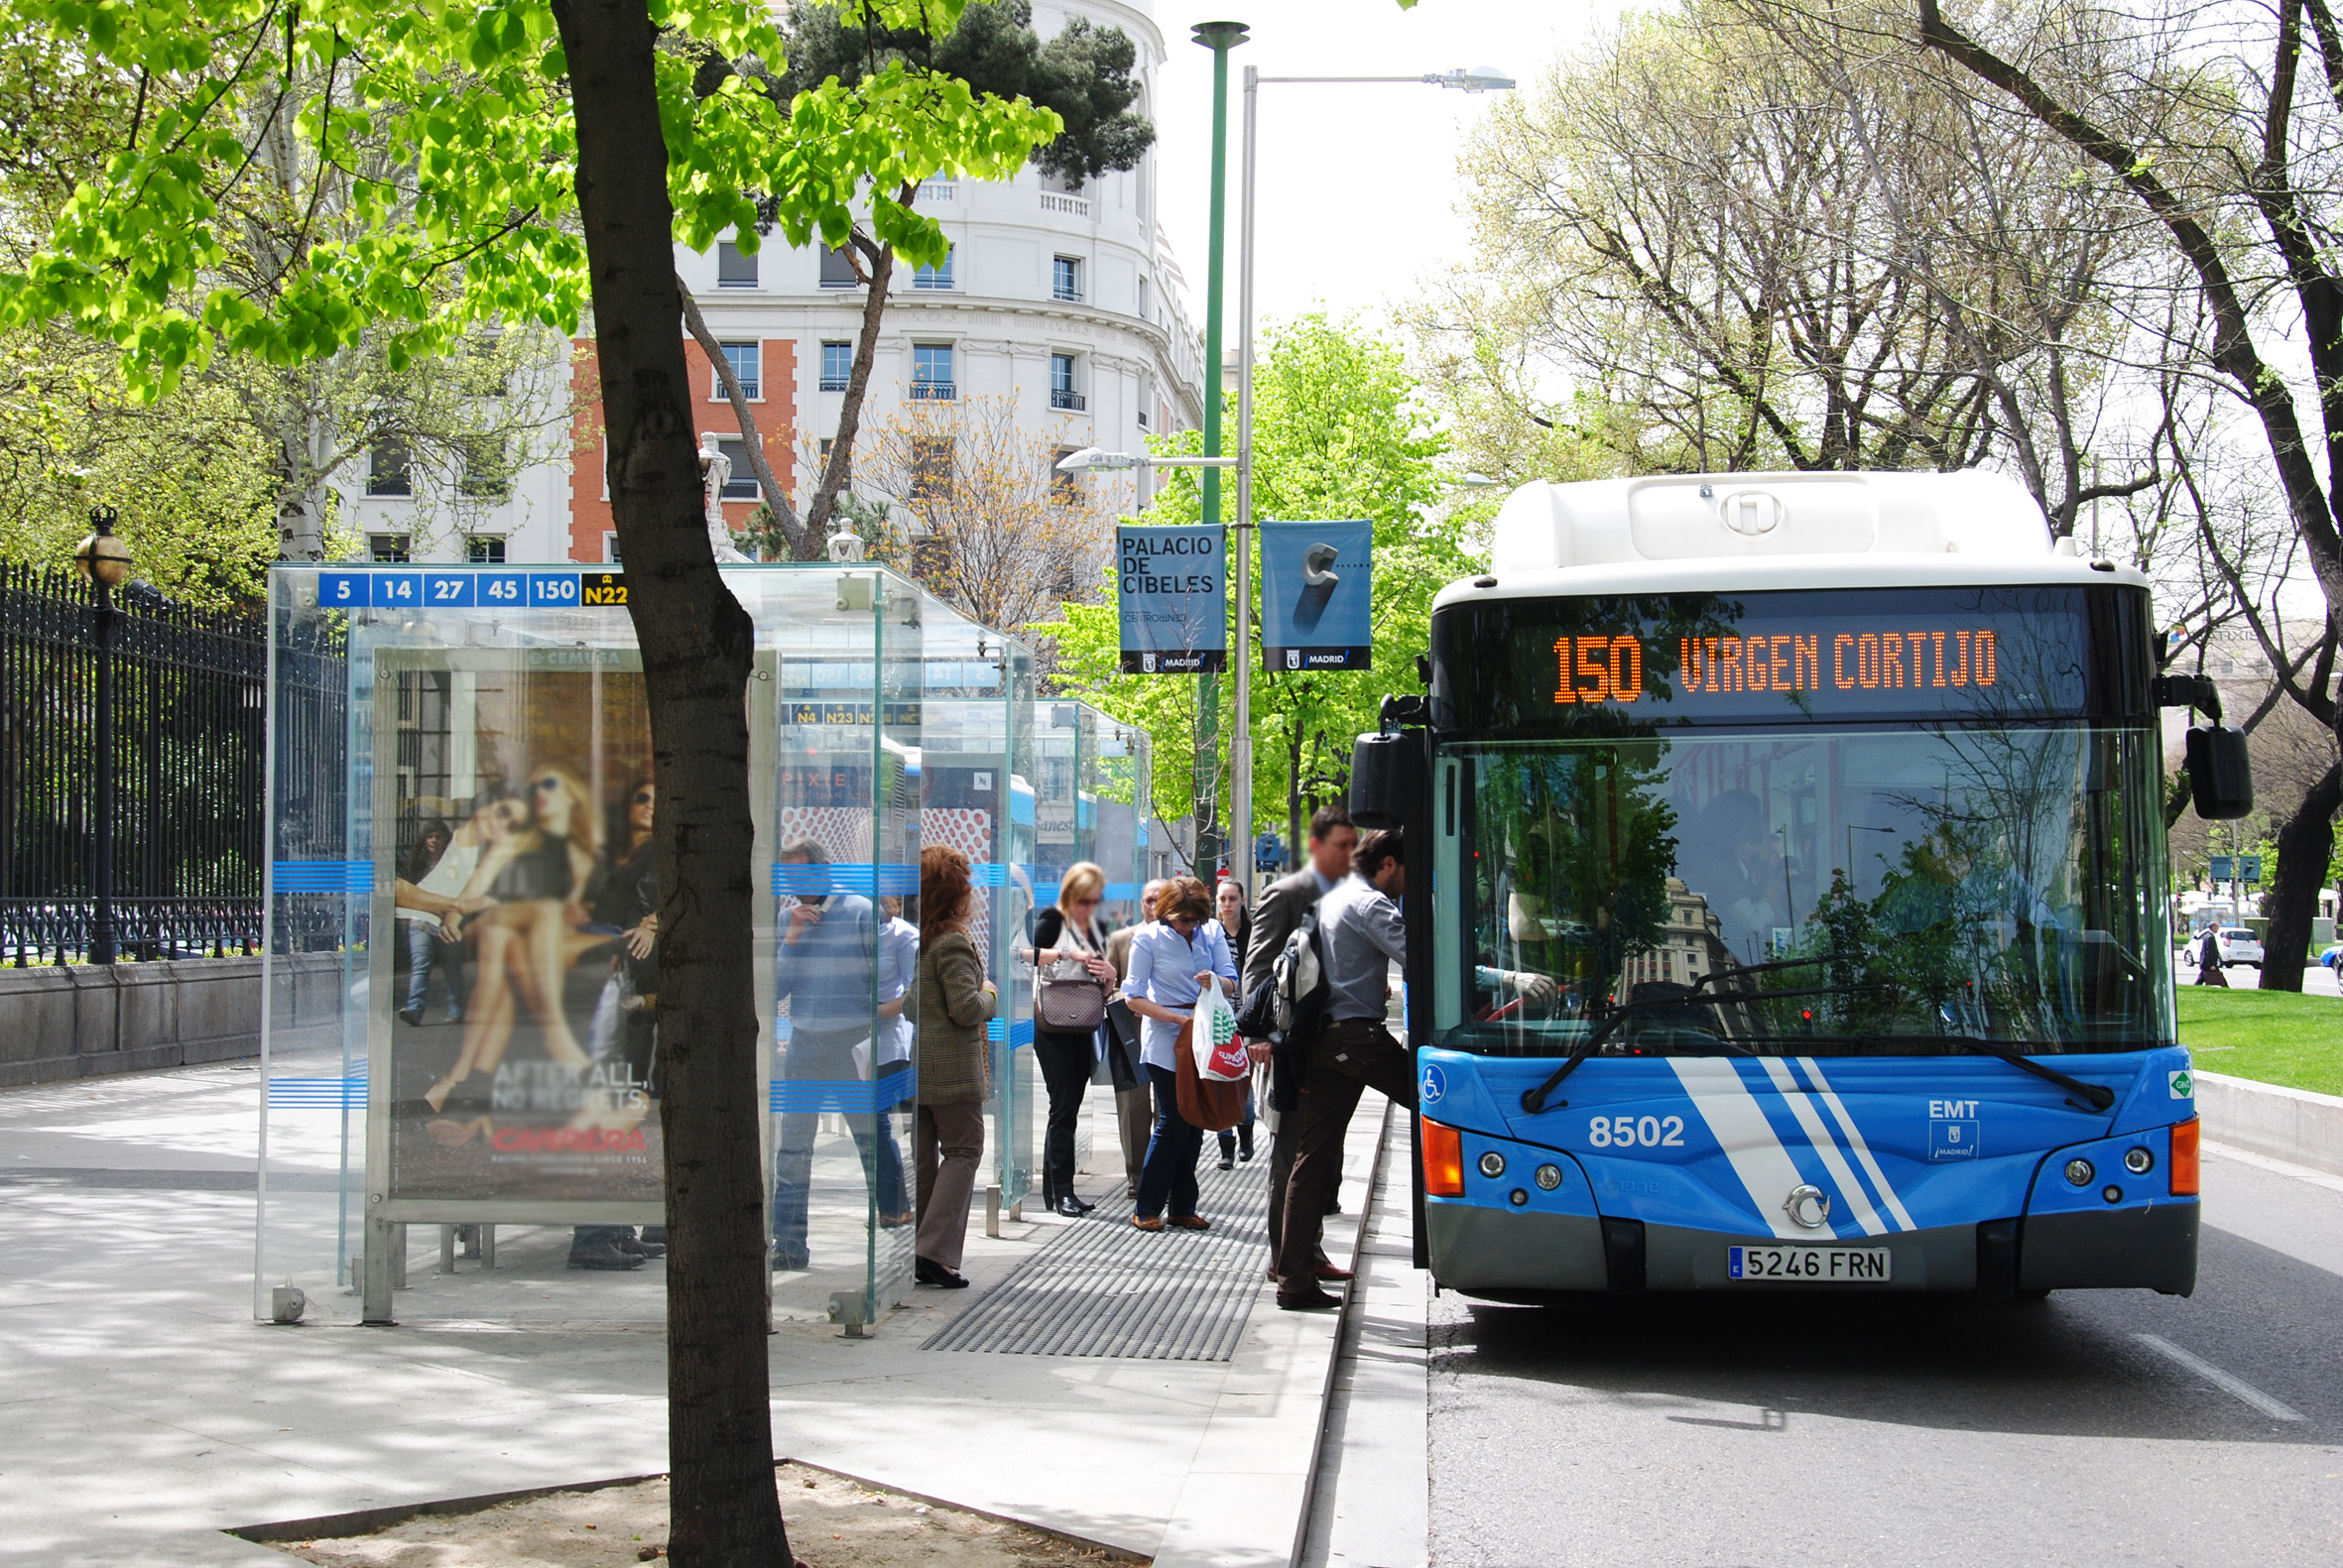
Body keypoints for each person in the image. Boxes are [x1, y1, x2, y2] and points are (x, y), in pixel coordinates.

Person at [1275, 829, 1418, 1311]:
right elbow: (1424, 960)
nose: (1407, 884)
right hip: (1358, 1039)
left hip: (1325, 1039)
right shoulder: (1371, 903)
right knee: (1444, 1102)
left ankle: (1294, 1276)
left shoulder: (1332, 897)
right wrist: (1505, 977)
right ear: (1390, 863)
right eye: (1407, 873)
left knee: (1312, 1156)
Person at [771, 838, 908, 1271]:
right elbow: (775, 991)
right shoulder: (786, 919)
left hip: (852, 1041)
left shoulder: (861, 913)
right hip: (805, 1044)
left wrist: (879, 1037)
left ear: (824, 872)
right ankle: (789, 1244)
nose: (795, 885)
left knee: (871, 1136)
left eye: (802, 875)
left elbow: (884, 984)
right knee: (794, 1147)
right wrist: (791, 938)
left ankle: (895, 1219)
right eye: (788, 877)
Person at [1244, 806, 1358, 1285]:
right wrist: (1258, 1034)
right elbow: (1258, 965)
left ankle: (1308, 1248)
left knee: (1322, 1154)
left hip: (1331, 1043)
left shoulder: (1349, 895)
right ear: (1316, 846)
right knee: (1292, 1155)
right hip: (1290, 1044)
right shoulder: (1287, 893)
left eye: (1354, 846)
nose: (1350, 855)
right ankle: (1284, 1256)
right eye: (1341, 846)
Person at [1123, 876, 1239, 1233]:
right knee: (1174, 1119)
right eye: (1182, 920)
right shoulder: (1147, 939)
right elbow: (1133, 996)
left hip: (1205, 1035)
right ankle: (1148, 1204)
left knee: (1194, 1120)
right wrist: (1173, 1016)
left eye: (1194, 920)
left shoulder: (1213, 932)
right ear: (1166, 914)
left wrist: (1214, 982)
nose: (1189, 926)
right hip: (1165, 1037)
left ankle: (1183, 1205)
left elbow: (1231, 980)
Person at [913, 844, 996, 1287]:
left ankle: (919, 1247)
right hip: (954, 1071)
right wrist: (991, 994)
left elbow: (910, 1003)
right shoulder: (952, 942)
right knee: (964, 1151)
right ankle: (934, 1251)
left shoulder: (918, 938)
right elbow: (966, 1009)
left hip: (920, 1066)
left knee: (926, 1158)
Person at [1031, 861, 1117, 1217]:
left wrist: (1108, 974)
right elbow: (1024, 955)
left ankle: (1057, 1188)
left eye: (1094, 899)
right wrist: (1068, 953)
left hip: (1084, 1022)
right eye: (1083, 899)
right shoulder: (1053, 919)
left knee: (1069, 1107)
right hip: (1052, 1024)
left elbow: (1102, 976)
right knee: (1063, 1106)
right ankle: (1062, 1190)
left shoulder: (1098, 926)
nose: (1089, 907)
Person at [1106, 879, 1168, 1197]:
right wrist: (1131, 1000)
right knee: (1133, 1106)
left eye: (1159, 899)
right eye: (1148, 900)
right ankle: (1137, 1177)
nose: (1153, 906)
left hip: (1169, 1033)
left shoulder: (1184, 937)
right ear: (1141, 903)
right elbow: (1109, 985)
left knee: (1168, 1107)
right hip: (1132, 1032)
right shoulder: (1120, 939)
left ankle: (1163, 1172)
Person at [393, 813, 469, 1028]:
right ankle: (414, 1009)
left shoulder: (455, 865)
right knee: (420, 965)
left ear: (446, 840)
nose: (434, 841)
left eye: (438, 837)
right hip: (421, 921)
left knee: (451, 966)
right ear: (424, 840)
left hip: (447, 922)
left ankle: (456, 1009)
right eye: (430, 837)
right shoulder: (416, 865)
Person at [1211, 878, 1256, 1170]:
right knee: (1220, 1078)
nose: (1227, 905)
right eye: (1222, 899)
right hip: (1220, 1016)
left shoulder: (1253, 934)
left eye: (1232, 898)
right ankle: (1226, 1147)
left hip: (1249, 1016)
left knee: (1244, 1079)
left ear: (1242, 900)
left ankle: (1247, 1134)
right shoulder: (1211, 934)